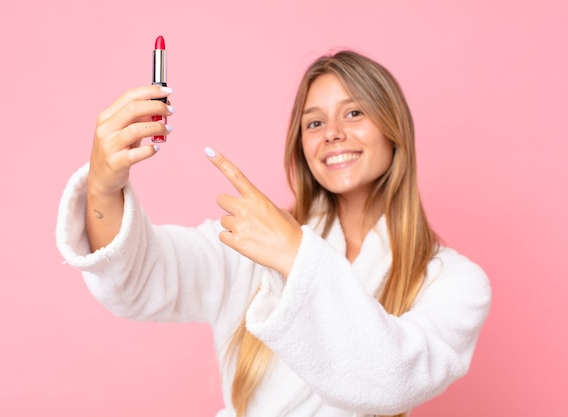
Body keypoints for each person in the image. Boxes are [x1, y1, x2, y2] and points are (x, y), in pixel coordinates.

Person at [56, 50, 491, 417]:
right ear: (300, 145)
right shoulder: (250, 243)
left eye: (355, 112)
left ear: (395, 130)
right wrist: (103, 187)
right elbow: (139, 279)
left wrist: (298, 257)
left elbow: (392, 379)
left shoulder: (456, 283)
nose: (333, 134)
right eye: (314, 123)